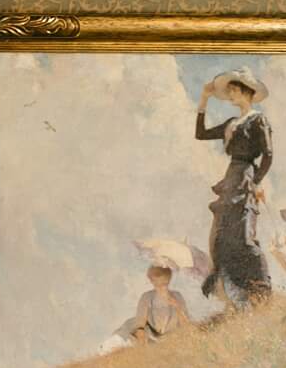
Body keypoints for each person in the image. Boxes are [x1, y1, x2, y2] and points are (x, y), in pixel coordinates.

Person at [196, 68, 274, 307]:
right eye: (228, 89)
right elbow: (200, 133)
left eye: (233, 89)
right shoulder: (231, 123)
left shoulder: (258, 119)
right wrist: (204, 99)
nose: (230, 93)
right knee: (221, 237)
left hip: (246, 177)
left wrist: (255, 182)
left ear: (246, 91)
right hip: (230, 178)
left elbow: (268, 155)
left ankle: (262, 289)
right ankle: (236, 296)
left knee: (244, 237)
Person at [113, 263, 191, 344]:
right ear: (152, 281)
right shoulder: (146, 297)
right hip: (151, 337)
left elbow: (186, 325)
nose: (161, 287)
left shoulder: (177, 296)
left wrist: (177, 306)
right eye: (157, 284)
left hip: (172, 339)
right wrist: (141, 336)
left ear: (169, 280)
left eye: (164, 284)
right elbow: (140, 323)